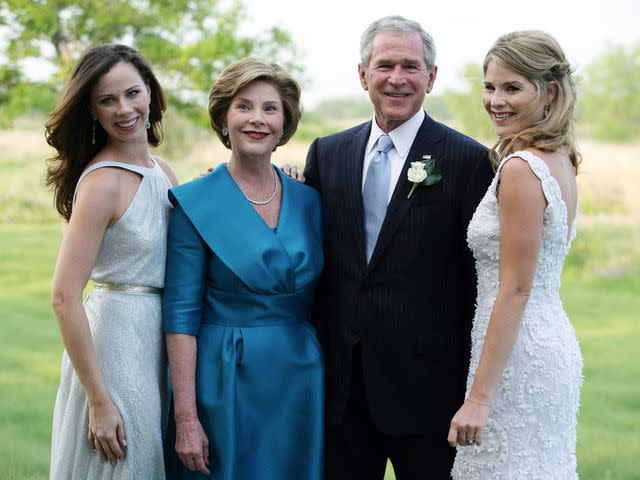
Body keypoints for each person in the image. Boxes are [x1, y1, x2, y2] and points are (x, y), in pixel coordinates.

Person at [302, 15, 494, 479]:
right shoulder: (326, 154)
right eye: (385, 65)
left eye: (411, 66)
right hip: (342, 392)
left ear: (431, 76)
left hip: (429, 391)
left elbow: (479, 280)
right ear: (363, 74)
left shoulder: (470, 161)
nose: (397, 78)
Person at [162, 57, 324, 480]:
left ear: (285, 121)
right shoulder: (196, 202)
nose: (258, 119)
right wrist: (186, 418)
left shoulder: (309, 198)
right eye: (244, 106)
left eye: (270, 108)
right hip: (223, 378)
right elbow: (180, 318)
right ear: (224, 118)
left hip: (300, 377)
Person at [448, 30, 582, 479]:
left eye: (512, 87)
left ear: (549, 93)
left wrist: (480, 397)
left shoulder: (523, 168)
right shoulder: (560, 158)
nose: (496, 101)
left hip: (517, 357)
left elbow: (516, 289)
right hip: (542, 339)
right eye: (490, 86)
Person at [46, 44, 178, 479]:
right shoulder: (102, 183)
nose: (124, 109)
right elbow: (65, 296)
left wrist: (281, 177)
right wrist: (99, 400)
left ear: (150, 94)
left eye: (132, 93)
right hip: (114, 346)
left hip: (159, 342)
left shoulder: (164, 172)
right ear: (93, 111)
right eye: (107, 100)